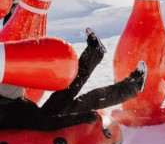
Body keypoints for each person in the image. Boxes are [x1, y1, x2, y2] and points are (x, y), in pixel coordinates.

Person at [0, 28, 147, 131]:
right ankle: (133, 86)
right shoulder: (10, 114)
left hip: (44, 114)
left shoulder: (9, 102)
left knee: (68, 85)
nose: (19, 85)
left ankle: (94, 53)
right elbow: (44, 124)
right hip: (50, 122)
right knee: (89, 99)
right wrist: (80, 118)